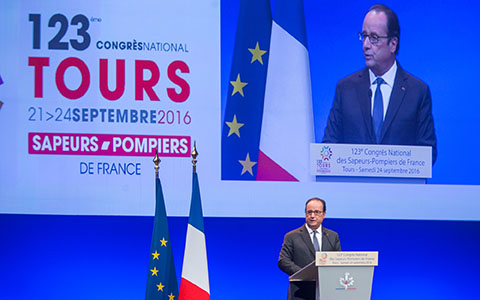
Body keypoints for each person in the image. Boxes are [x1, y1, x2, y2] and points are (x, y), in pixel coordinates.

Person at [322, 4, 437, 164]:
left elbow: (428, 152)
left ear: (393, 44)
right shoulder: (345, 89)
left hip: (400, 188)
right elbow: (329, 146)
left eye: (374, 38)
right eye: (364, 36)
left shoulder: (417, 91)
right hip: (354, 187)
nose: (366, 45)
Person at [278, 198, 341, 299]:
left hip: (326, 291)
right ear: (305, 214)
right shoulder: (292, 236)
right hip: (300, 292)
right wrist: (304, 274)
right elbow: (283, 261)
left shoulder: (332, 236)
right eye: (309, 212)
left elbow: (338, 261)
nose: (312, 216)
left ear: (324, 214)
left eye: (317, 212)